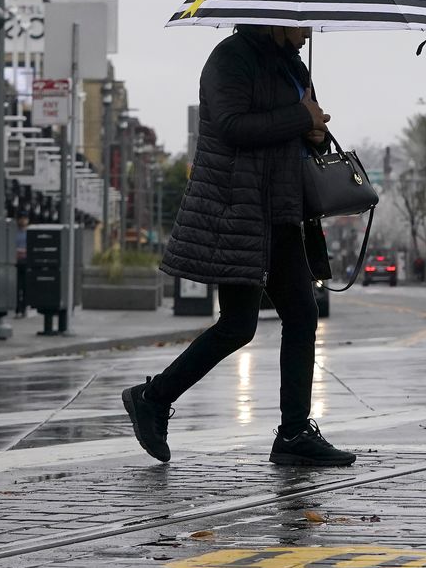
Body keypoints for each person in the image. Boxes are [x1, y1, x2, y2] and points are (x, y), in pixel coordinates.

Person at [124, 24, 355, 467]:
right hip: (238, 210)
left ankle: (293, 433)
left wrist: (316, 133)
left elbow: (304, 127)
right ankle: (151, 398)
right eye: (301, 22)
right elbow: (232, 127)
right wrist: (298, 119)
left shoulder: (293, 66)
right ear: (275, 20)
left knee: (303, 313)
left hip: (283, 210)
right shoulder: (229, 58)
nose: (308, 31)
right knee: (238, 324)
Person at [14, 215, 29, 318]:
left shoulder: (28, 233)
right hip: (17, 262)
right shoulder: (15, 233)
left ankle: (23, 308)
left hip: (26, 262)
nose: (23, 220)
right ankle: (18, 308)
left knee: (25, 286)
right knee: (17, 286)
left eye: (25, 218)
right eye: (21, 218)